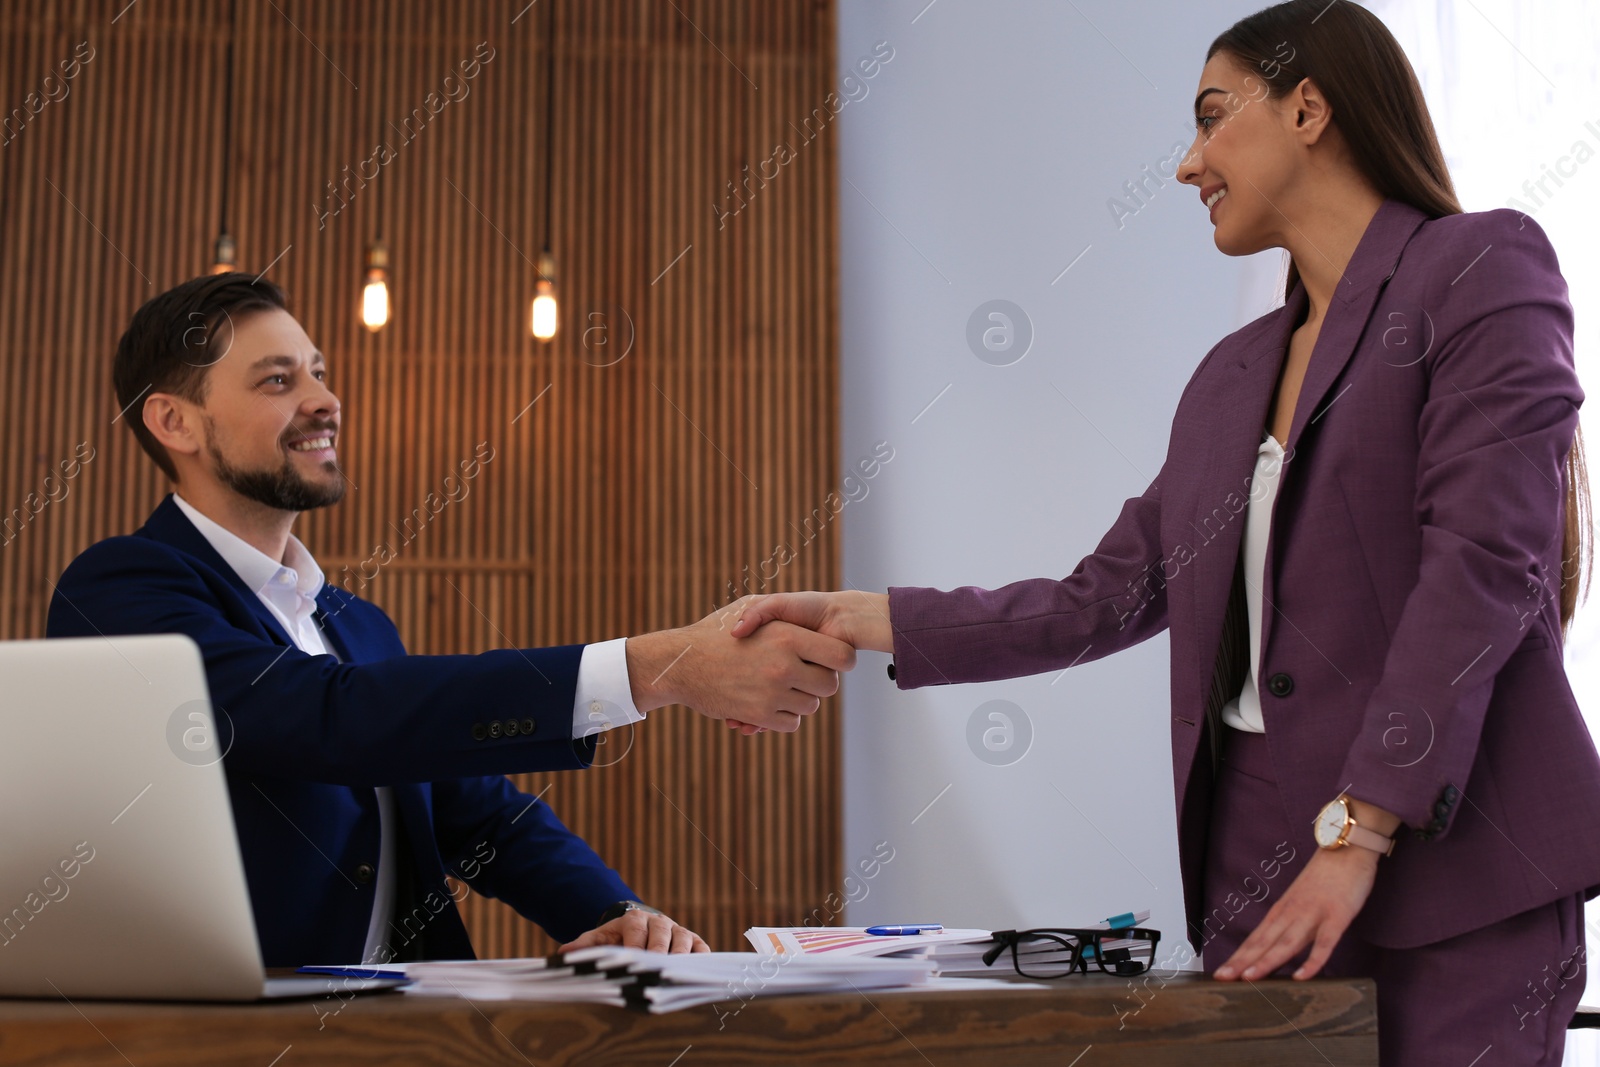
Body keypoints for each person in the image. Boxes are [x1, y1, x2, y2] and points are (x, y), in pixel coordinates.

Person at [729, 2, 1600, 1062]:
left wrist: (1360, 824)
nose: (1187, 164)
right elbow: (1104, 595)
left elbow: (1483, 564)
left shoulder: (1476, 267)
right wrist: (866, 618)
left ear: (1309, 107)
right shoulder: (1230, 375)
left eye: (1211, 116)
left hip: (1458, 875)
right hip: (1258, 878)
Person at [46, 272, 855, 967]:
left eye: (320, 373)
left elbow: (483, 815)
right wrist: (655, 667)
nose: (326, 400)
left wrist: (615, 919)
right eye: (277, 380)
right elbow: (329, 720)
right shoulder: (120, 593)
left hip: (413, 1030)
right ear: (174, 422)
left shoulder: (357, 625)